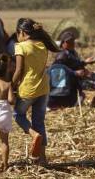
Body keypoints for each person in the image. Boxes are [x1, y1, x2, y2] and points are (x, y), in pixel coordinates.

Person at [12, 18, 59, 164]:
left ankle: (33, 135)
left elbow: (19, 70)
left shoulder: (20, 46)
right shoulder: (42, 45)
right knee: (39, 121)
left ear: (22, 32)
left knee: (18, 115)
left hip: (28, 89)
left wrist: (11, 85)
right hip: (43, 88)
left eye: (17, 33)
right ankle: (42, 159)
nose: (17, 36)